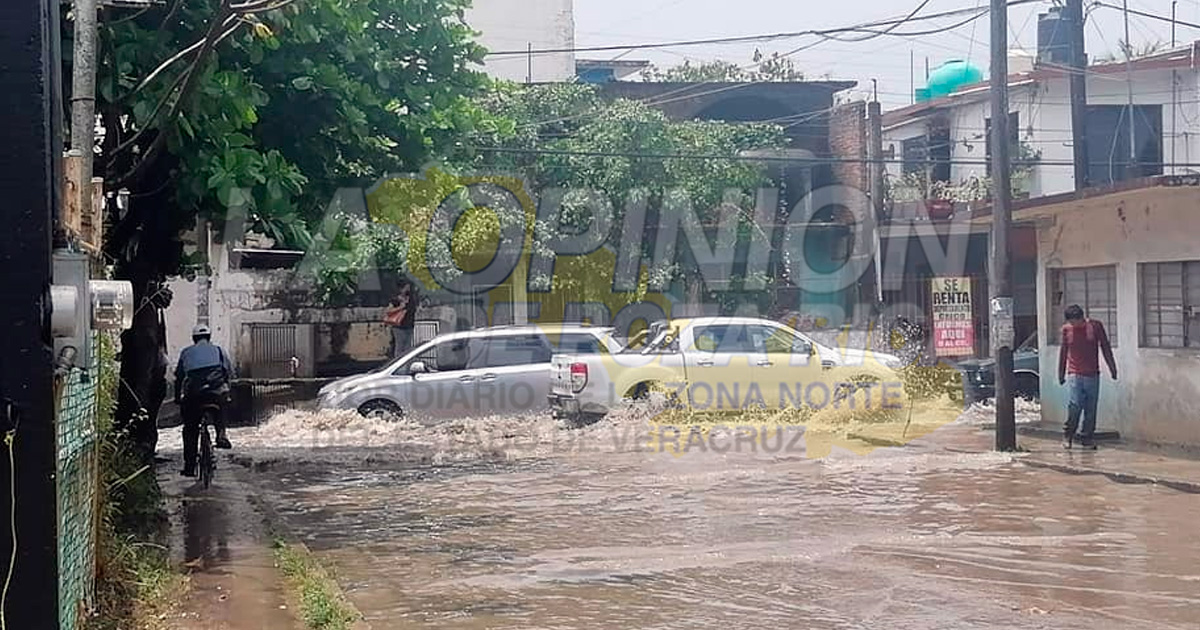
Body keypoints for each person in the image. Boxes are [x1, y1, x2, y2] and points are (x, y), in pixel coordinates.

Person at [175, 324, 234, 477]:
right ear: (209, 337)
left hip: (194, 396)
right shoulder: (219, 351)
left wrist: (177, 398)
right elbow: (229, 372)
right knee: (221, 407)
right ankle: (221, 434)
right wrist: (228, 392)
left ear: (194, 338)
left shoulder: (186, 352)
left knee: (190, 429)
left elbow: (179, 377)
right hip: (216, 393)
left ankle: (189, 467)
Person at [1058, 305, 1117, 450]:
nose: (1073, 325)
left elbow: (1105, 347)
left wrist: (1112, 368)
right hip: (1075, 374)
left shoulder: (1095, 326)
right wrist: (1061, 373)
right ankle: (1068, 434)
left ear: (1081, 318)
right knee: (1075, 405)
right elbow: (1063, 352)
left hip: (1092, 374)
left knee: (1091, 408)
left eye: (1074, 322)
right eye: (1070, 322)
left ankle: (1087, 437)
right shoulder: (1066, 330)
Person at [384, 285, 416, 359]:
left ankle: (406, 363)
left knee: (407, 347)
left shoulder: (411, 298)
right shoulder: (396, 299)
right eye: (406, 287)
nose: (408, 289)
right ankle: (398, 362)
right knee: (400, 347)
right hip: (399, 327)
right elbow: (388, 311)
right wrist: (400, 307)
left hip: (409, 326)